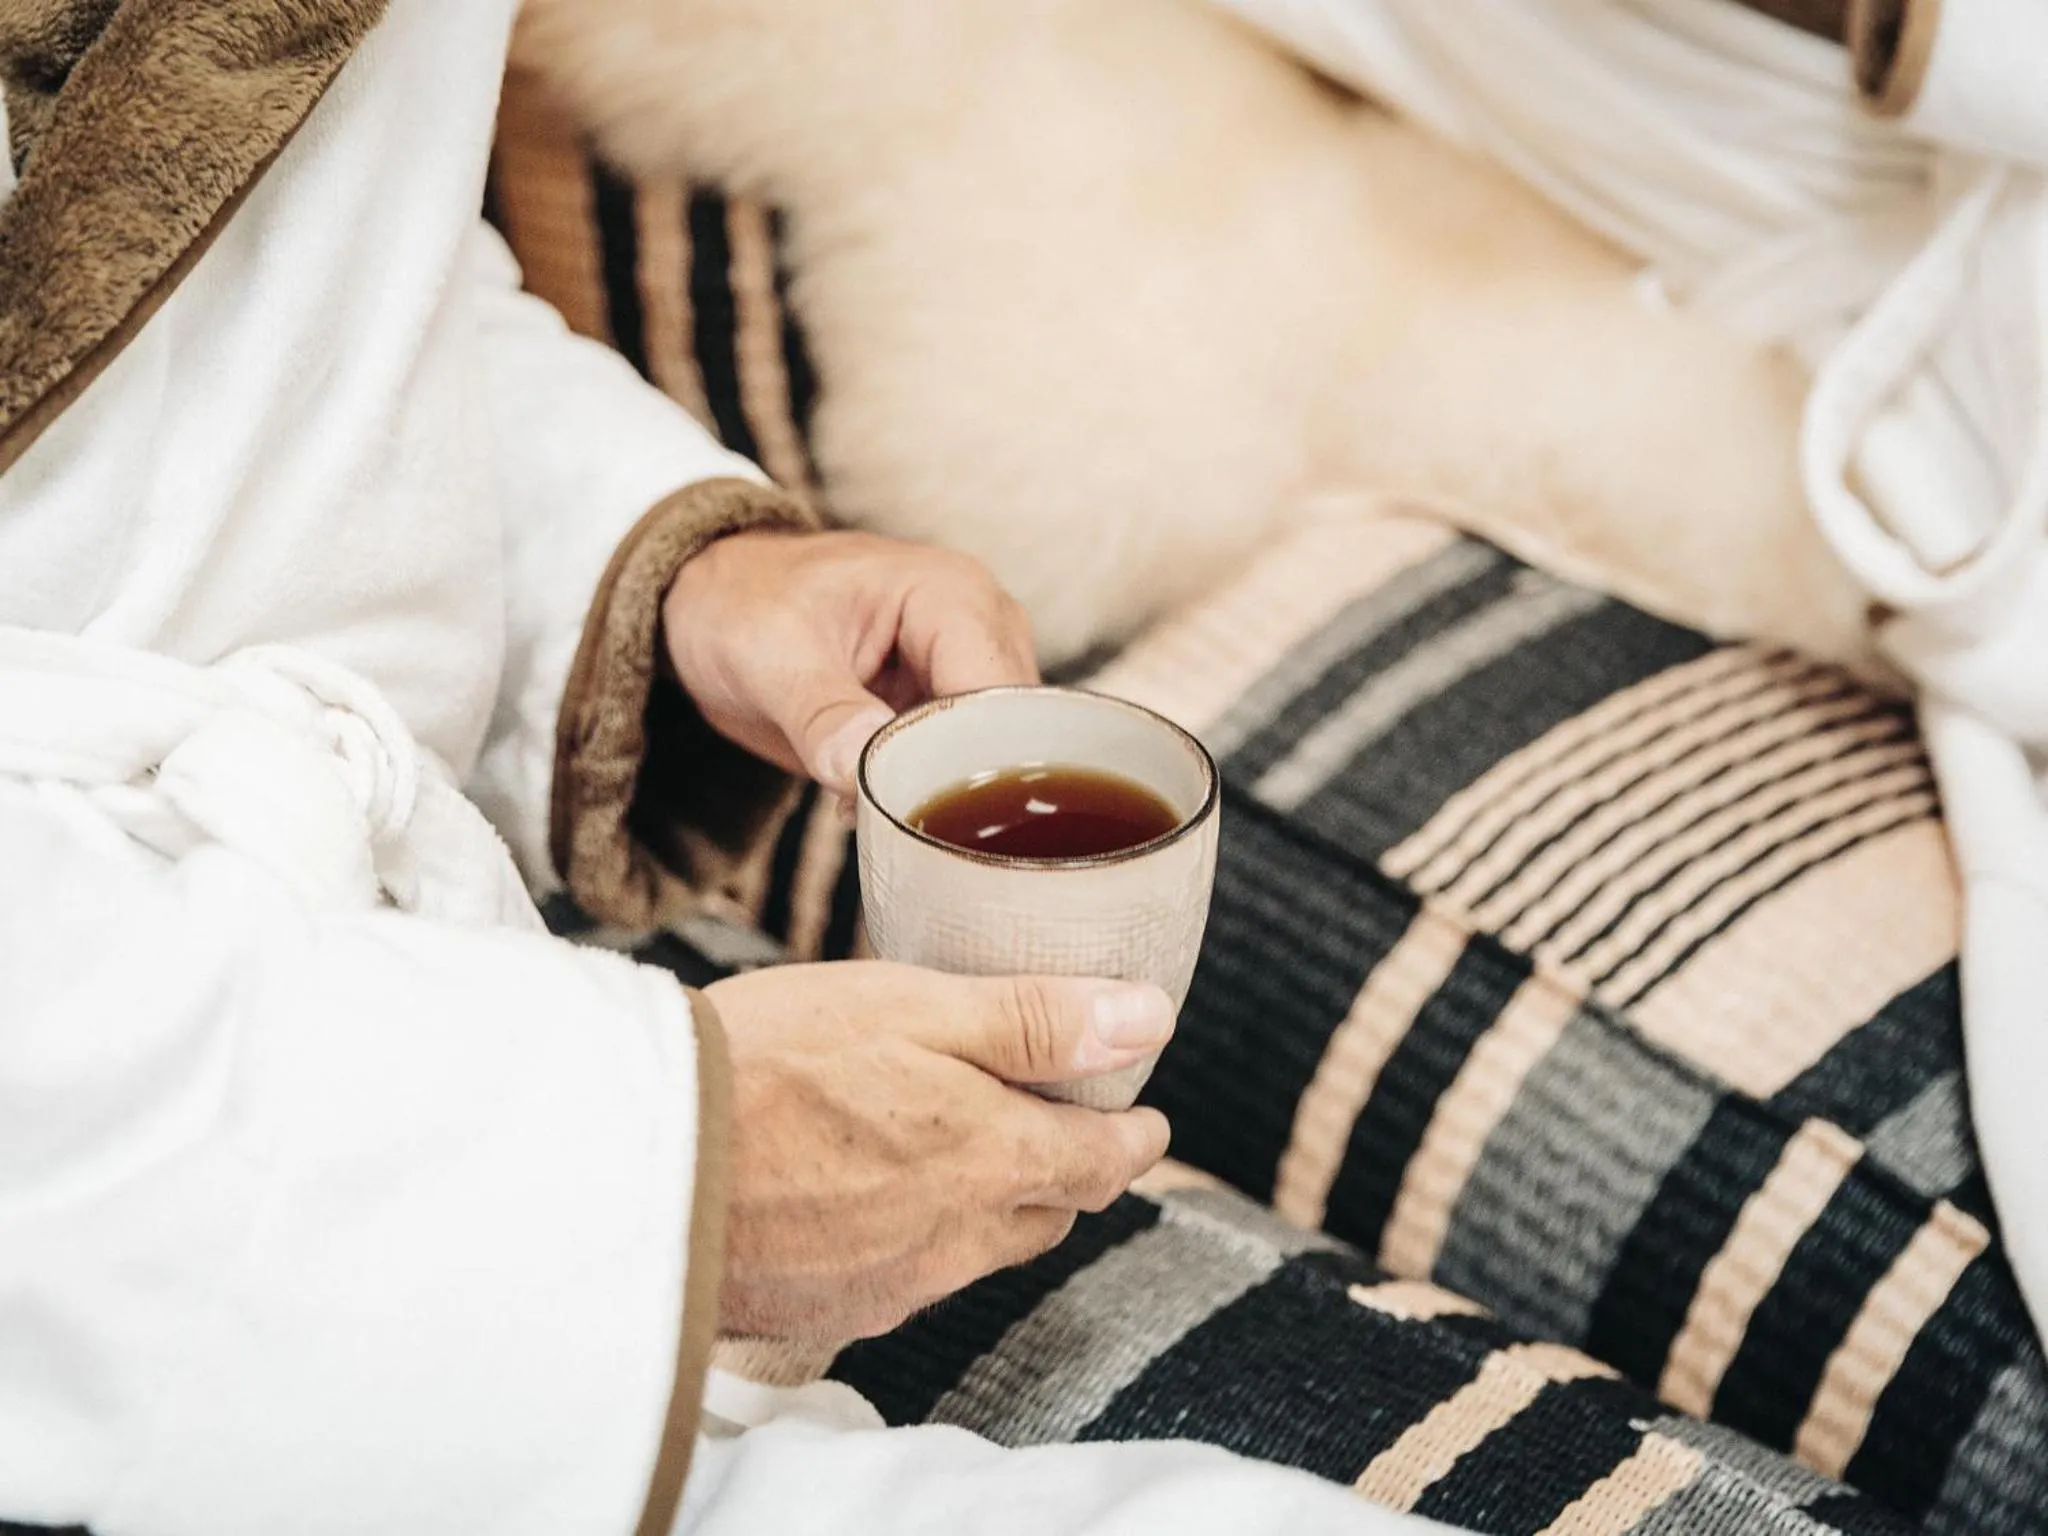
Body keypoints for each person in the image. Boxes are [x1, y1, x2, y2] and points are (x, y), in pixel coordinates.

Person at [0, 2, 1442, 1531]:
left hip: (391, 1044)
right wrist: (636, 1167)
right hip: (148, 1235)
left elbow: (235, 235)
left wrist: (659, 561)